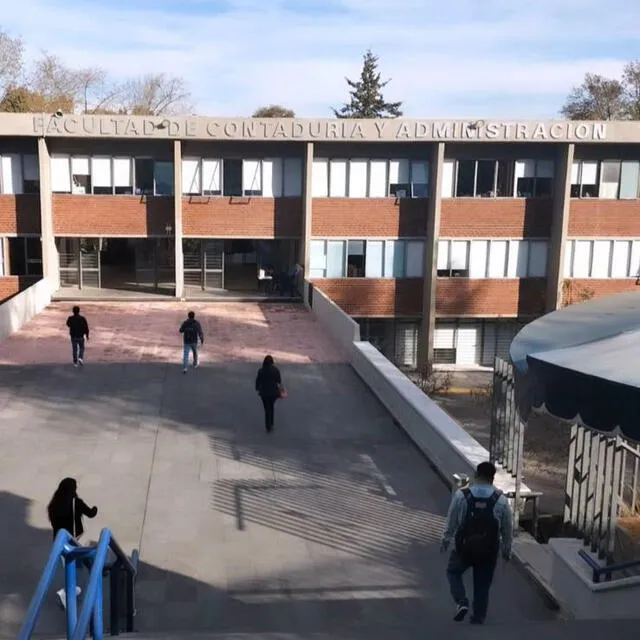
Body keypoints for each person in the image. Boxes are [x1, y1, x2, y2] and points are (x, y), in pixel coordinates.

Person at [440, 461, 513, 625]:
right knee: (482, 585)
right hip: (488, 550)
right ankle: (478, 619)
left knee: (453, 572)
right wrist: (507, 551)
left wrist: (445, 540)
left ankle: (461, 601)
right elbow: (507, 528)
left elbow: (451, 520)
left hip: (464, 548)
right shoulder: (500, 500)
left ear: (476, 475)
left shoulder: (462, 495)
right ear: (492, 478)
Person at [47, 478, 98, 610]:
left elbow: (54, 524)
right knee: (77, 562)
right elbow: (91, 513)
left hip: (60, 541)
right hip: (74, 538)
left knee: (70, 563)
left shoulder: (53, 505)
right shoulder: (76, 503)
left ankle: (72, 589)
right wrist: (95, 508)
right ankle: (66, 593)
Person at [255, 355, 284, 432]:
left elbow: (258, 381)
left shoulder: (261, 370)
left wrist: (257, 388)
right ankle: (271, 423)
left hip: (264, 392)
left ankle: (268, 425)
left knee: (266, 408)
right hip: (274, 392)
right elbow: (279, 381)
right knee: (271, 407)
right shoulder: (275, 370)